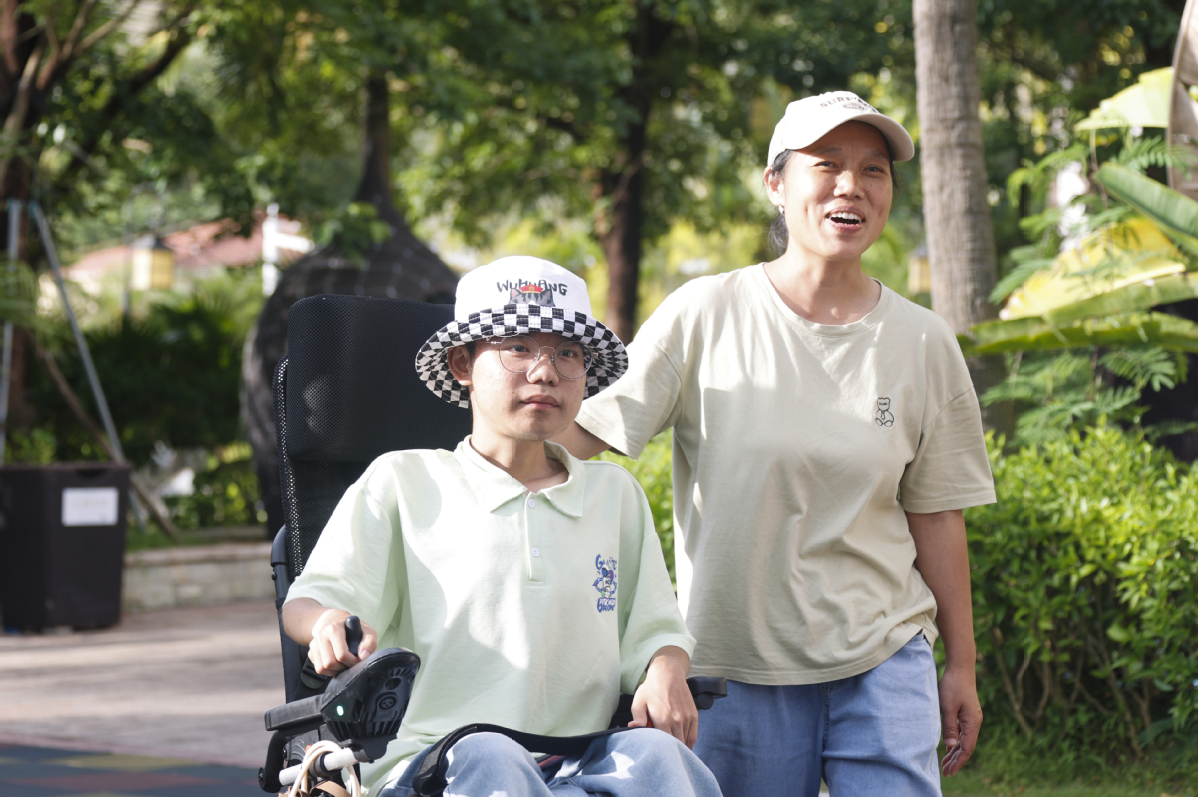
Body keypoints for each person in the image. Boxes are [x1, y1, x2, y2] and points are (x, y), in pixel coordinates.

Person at [557, 91, 997, 797]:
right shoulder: (706, 313)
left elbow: (938, 513)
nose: (851, 185)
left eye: (874, 169)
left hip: (884, 654)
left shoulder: (923, 340)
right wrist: (471, 451)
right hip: (733, 670)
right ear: (776, 184)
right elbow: (585, 432)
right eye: (827, 165)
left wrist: (962, 665)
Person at [281, 255, 722, 797]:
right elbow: (305, 605)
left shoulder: (615, 496)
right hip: (438, 761)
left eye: (568, 353)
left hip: (581, 758)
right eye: (517, 347)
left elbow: (654, 629)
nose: (546, 372)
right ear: (462, 363)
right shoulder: (403, 482)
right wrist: (327, 622)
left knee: (658, 756)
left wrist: (667, 669)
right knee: (490, 751)